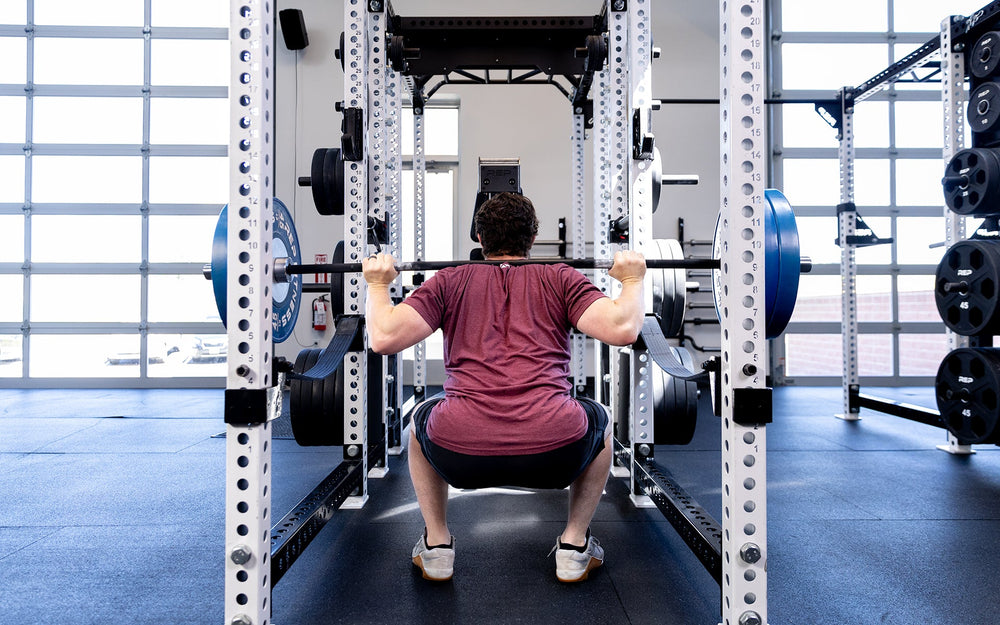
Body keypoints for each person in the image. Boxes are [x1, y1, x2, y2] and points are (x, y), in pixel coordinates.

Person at [361, 191, 645, 583]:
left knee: (420, 423)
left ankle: (437, 545)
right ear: (533, 239)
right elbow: (623, 328)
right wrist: (632, 279)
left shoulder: (449, 281)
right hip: (556, 452)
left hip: (460, 453)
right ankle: (574, 545)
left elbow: (382, 338)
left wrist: (377, 284)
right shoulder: (561, 277)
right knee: (601, 421)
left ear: (480, 238)